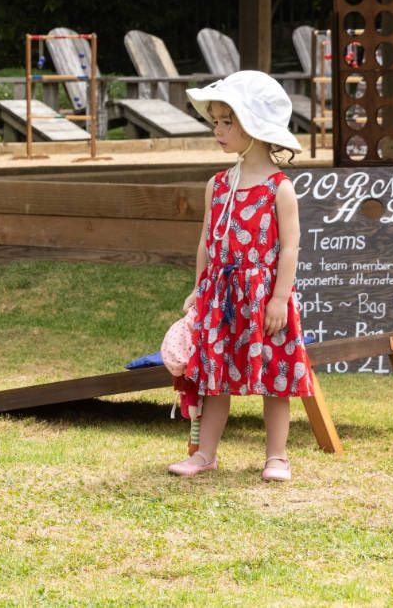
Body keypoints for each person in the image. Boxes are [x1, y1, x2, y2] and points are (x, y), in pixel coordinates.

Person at [167, 70, 309, 483]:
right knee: (214, 378)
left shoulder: (279, 188)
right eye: (216, 121)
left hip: (264, 300)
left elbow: (289, 248)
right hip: (223, 296)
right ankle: (204, 453)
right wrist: (199, 289)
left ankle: (277, 456)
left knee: (275, 378)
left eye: (228, 121)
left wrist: (280, 298)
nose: (218, 129)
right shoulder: (218, 185)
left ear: (256, 126)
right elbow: (206, 243)